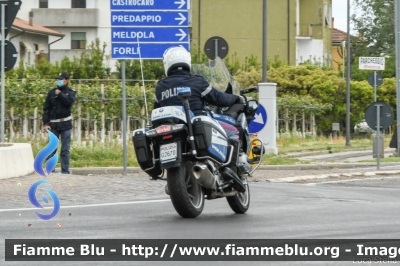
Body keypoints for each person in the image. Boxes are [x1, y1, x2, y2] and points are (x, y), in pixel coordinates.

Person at [154, 46, 245, 189]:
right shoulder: (197, 81)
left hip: (174, 129)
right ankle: (231, 171)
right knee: (233, 131)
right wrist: (235, 98)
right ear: (187, 62)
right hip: (198, 126)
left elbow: (157, 108)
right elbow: (218, 98)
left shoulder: (160, 87)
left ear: (167, 64)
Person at [42, 72, 76, 174]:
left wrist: (60, 94)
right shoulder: (51, 93)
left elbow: (68, 103)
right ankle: (50, 170)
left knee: (65, 150)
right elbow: (46, 109)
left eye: (61, 79)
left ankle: (65, 171)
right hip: (53, 125)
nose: (59, 81)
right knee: (52, 148)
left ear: (66, 80)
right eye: (58, 79)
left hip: (66, 125)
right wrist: (46, 123)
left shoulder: (71, 92)